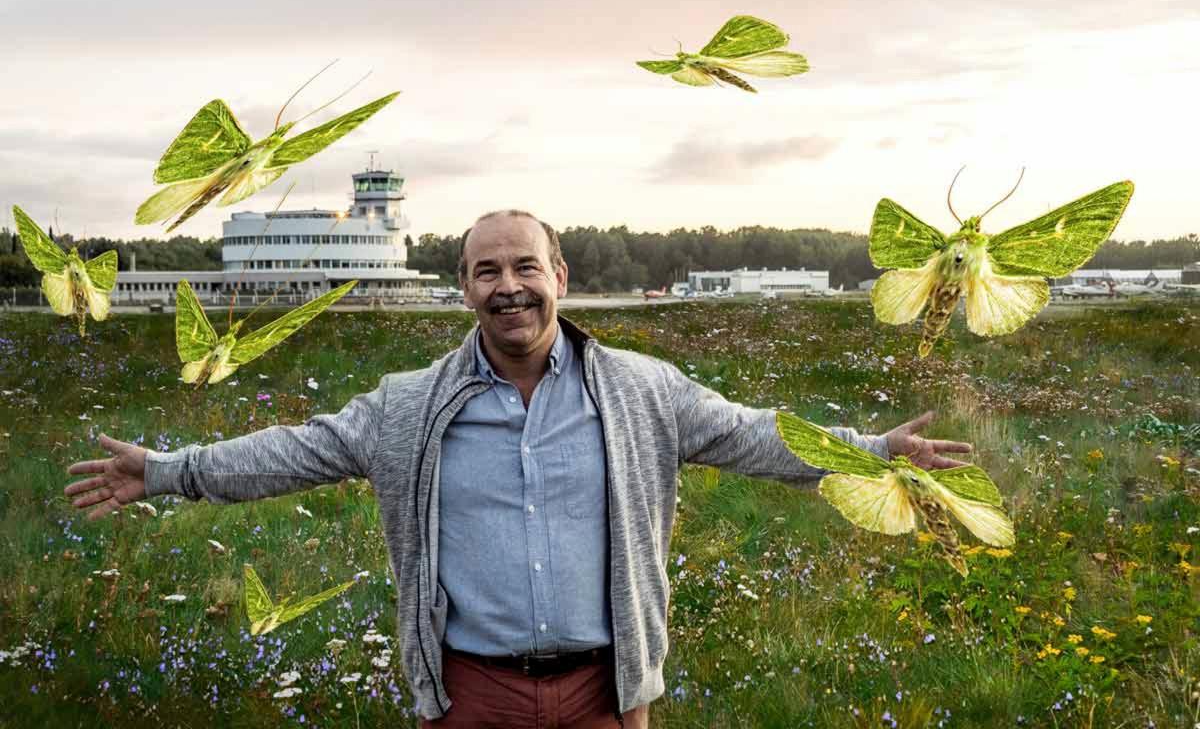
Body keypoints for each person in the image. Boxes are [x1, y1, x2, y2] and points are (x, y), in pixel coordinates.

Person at [65, 209, 973, 728]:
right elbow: (293, 451)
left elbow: (757, 436)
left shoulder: (642, 390)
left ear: (559, 276)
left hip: (606, 690)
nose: (509, 286)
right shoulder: (407, 404)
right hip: (474, 692)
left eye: (525, 266)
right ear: (464, 288)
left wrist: (874, 450)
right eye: (486, 270)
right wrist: (169, 471)